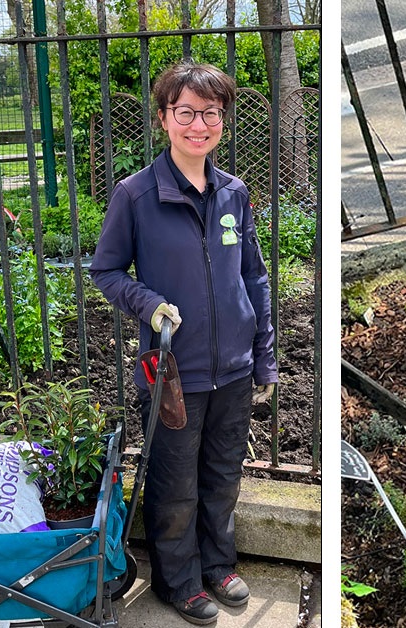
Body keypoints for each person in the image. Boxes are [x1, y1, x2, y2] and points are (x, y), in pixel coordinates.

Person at [90, 60, 278, 626]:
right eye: (187, 112)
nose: (200, 124)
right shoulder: (136, 195)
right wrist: (149, 305)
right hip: (174, 371)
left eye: (212, 113)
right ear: (165, 118)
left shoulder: (234, 193)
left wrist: (264, 359)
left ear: (222, 120)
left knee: (223, 474)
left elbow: (255, 277)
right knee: (175, 483)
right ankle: (178, 579)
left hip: (235, 369)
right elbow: (107, 271)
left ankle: (219, 566)